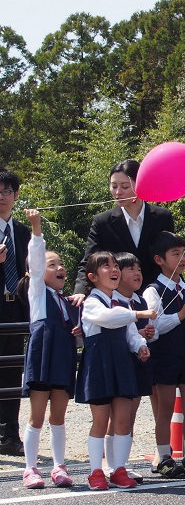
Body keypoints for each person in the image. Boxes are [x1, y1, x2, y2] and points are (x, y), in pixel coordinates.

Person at [76, 252, 154, 490]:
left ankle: (118, 468)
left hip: (121, 361)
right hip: (99, 363)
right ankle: (95, 471)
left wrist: (141, 346)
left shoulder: (122, 303)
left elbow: (130, 332)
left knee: (122, 419)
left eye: (115, 266)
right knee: (100, 421)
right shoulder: (91, 302)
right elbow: (108, 319)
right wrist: (138, 313)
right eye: (106, 266)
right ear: (92, 276)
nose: (114, 269)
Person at [19, 209, 82, 488]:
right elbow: (35, 259)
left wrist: (79, 332)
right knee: (37, 415)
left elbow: (78, 335)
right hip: (42, 354)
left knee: (58, 415)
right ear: (35, 272)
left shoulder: (68, 302)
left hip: (63, 356)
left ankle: (59, 466)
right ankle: (30, 468)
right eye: (51, 264)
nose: (59, 268)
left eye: (60, 264)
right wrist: (36, 229)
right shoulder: (38, 294)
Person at [142, 232, 185, 478]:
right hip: (165, 356)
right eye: (175, 254)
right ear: (160, 259)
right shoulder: (153, 290)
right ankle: (165, 455)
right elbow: (155, 327)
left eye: (184, 254)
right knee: (165, 409)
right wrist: (180, 315)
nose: (182, 259)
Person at [74, 159, 175, 296]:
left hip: (159, 295)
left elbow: (172, 258)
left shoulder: (162, 217)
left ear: (140, 184)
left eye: (125, 187)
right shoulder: (102, 221)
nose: (118, 192)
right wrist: (80, 292)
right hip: (118, 297)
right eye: (114, 186)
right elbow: (89, 261)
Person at [109, 252, 156, 484]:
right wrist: (137, 334)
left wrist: (146, 336)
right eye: (130, 269)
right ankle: (109, 465)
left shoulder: (140, 301)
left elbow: (144, 330)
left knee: (131, 415)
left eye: (139, 269)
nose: (137, 273)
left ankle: (122, 464)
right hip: (117, 361)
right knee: (115, 416)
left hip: (137, 362)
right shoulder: (112, 299)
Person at [0, 167, 29, 456]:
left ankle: (10, 433)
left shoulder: (21, 231)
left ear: (16, 195)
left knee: (13, 372)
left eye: (6, 191)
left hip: (16, 310)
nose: (2, 196)